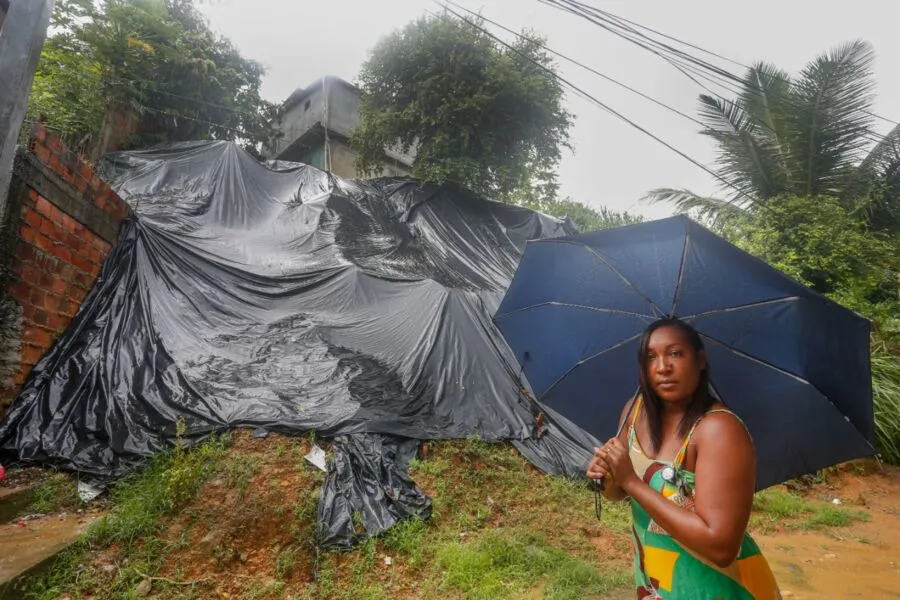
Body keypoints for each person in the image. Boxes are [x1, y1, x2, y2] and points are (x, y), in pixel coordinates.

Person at [587, 317, 781, 600]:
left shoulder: (718, 430)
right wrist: (608, 476)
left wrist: (630, 481)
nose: (663, 367)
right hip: (659, 580)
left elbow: (721, 547)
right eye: (651, 357)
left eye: (676, 353)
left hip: (715, 587)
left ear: (700, 360)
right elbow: (618, 493)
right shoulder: (635, 410)